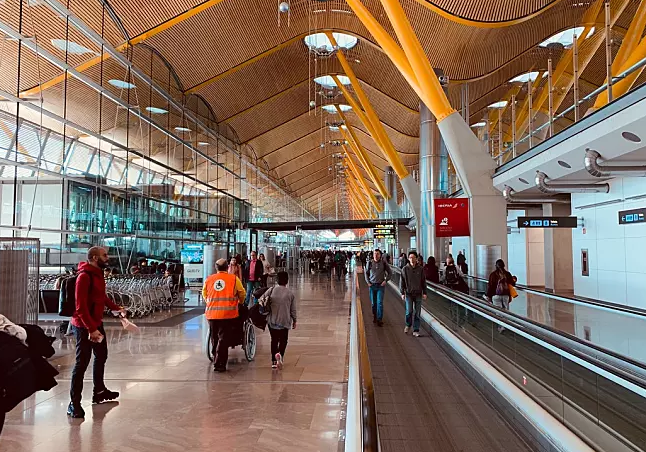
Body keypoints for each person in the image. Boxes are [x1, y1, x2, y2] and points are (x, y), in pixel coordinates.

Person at [68, 246, 126, 419]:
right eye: (104, 255)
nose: (107, 258)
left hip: (96, 323)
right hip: (83, 325)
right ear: (94, 257)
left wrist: (116, 308)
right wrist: (91, 329)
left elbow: (102, 296)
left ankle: (99, 391)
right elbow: (80, 307)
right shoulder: (84, 277)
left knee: (101, 355)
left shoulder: (98, 274)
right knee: (82, 363)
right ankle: (74, 403)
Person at [203, 258, 246, 372]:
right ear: (227, 267)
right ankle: (220, 363)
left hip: (211, 314)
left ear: (216, 268)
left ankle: (215, 356)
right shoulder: (233, 279)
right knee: (223, 338)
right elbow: (242, 292)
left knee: (214, 337)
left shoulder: (209, 279)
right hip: (227, 314)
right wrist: (240, 302)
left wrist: (210, 302)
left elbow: (204, 293)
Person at [265, 271, 297, 369]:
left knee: (274, 340)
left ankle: (273, 361)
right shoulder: (290, 294)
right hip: (284, 321)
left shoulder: (271, 290)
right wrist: (294, 320)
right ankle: (280, 354)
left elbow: (262, 300)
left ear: (277, 280)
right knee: (283, 340)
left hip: (272, 320)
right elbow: (293, 310)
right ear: (287, 281)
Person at [400, 251, 427, 337]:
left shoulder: (420, 269)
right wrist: (402, 292)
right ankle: (408, 325)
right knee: (409, 311)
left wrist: (425, 292)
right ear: (408, 259)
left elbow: (423, 281)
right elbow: (402, 281)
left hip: (418, 293)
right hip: (409, 293)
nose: (412, 259)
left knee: (417, 312)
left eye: (413, 257)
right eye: (410, 257)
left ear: (416, 259)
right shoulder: (405, 269)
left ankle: (416, 329)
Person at [486, 259, 516, 332]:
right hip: (506, 296)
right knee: (505, 311)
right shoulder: (507, 274)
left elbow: (490, 286)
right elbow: (512, 283)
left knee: (498, 312)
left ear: (496, 266)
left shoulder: (493, 275)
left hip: (496, 296)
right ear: (503, 266)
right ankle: (505, 325)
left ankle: (501, 326)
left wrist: (488, 296)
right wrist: (514, 279)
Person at [364, 249, 391, 326]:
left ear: (380, 255)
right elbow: (366, 273)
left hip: (380, 286)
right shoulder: (369, 263)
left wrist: (385, 281)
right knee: (373, 303)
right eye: (375, 254)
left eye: (377, 254)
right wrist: (368, 282)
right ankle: (375, 315)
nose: (376, 255)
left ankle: (379, 319)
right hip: (372, 286)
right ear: (373, 255)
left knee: (380, 303)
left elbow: (390, 273)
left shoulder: (384, 263)